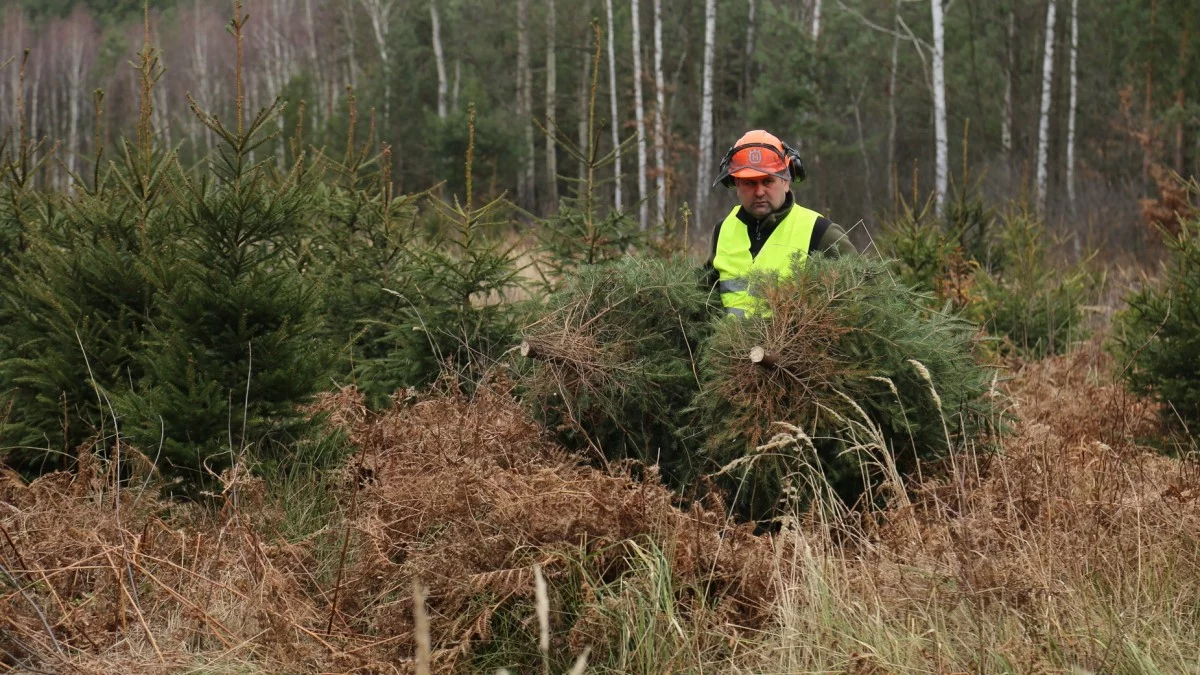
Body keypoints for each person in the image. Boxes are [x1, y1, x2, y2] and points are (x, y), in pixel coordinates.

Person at [704, 129, 855, 318]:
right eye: (750, 183)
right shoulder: (722, 231)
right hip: (729, 339)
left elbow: (861, 296)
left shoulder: (820, 232)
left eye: (768, 181)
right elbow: (704, 300)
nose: (759, 192)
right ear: (736, 184)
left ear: (786, 181)